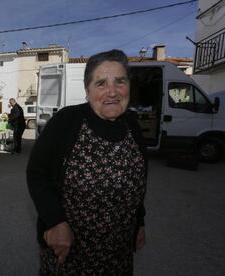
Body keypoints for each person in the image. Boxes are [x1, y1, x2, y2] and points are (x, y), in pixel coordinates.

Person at [27, 49, 147, 275]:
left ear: (128, 87)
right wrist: (54, 222)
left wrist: (140, 222)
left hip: (119, 253)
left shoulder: (133, 125)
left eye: (120, 81)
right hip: (70, 253)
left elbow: (139, 182)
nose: (112, 91)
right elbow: (36, 174)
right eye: (101, 83)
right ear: (87, 91)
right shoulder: (66, 121)